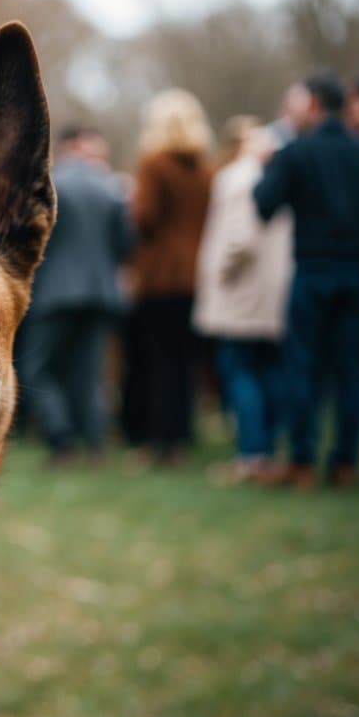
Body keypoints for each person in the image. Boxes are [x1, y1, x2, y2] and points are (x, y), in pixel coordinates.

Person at [254, 72, 359, 489]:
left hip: (310, 271)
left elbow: (263, 206)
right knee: (350, 371)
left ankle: (303, 462)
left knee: (302, 366)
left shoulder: (297, 152)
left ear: (312, 104)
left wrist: (267, 168)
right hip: (355, 272)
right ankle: (345, 463)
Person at [19, 126, 131, 465]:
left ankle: (61, 438)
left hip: (56, 293)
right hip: (101, 294)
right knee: (90, 371)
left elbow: (29, 243)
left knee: (35, 368)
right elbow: (126, 244)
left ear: (61, 149)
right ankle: (96, 445)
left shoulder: (51, 187)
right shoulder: (111, 189)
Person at [193, 119, 293, 483]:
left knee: (239, 369)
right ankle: (269, 447)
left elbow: (239, 238)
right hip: (269, 291)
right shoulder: (275, 174)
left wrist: (217, 274)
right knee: (268, 369)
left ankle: (252, 454)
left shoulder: (238, 177)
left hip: (241, 291)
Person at [128, 89, 215, 465]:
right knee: (183, 362)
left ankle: (159, 443)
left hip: (161, 275)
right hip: (196, 275)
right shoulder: (205, 170)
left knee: (158, 360)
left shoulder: (154, 164)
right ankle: (180, 437)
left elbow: (143, 218)